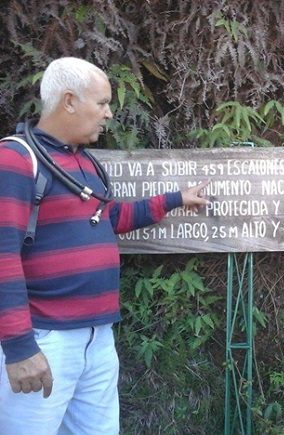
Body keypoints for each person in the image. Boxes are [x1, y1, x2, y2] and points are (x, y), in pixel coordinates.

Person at [0, 57, 210, 434]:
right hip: (44, 340)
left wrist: (176, 199)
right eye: (101, 103)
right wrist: (19, 348)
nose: (109, 114)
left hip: (97, 337)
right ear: (68, 101)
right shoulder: (15, 159)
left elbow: (109, 218)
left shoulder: (83, 163)